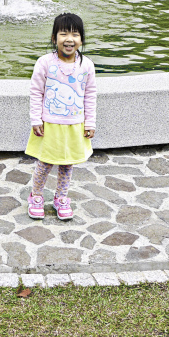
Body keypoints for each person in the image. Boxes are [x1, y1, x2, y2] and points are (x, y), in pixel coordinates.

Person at [26, 12, 97, 221]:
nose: (69, 39)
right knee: (45, 163)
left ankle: (61, 197)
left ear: (81, 39)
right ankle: (36, 196)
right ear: (54, 38)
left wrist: (90, 122)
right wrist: (35, 119)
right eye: (63, 33)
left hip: (74, 124)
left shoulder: (87, 66)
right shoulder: (45, 63)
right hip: (50, 124)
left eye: (75, 34)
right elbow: (36, 91)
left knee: (67, 164)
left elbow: (90, 95)